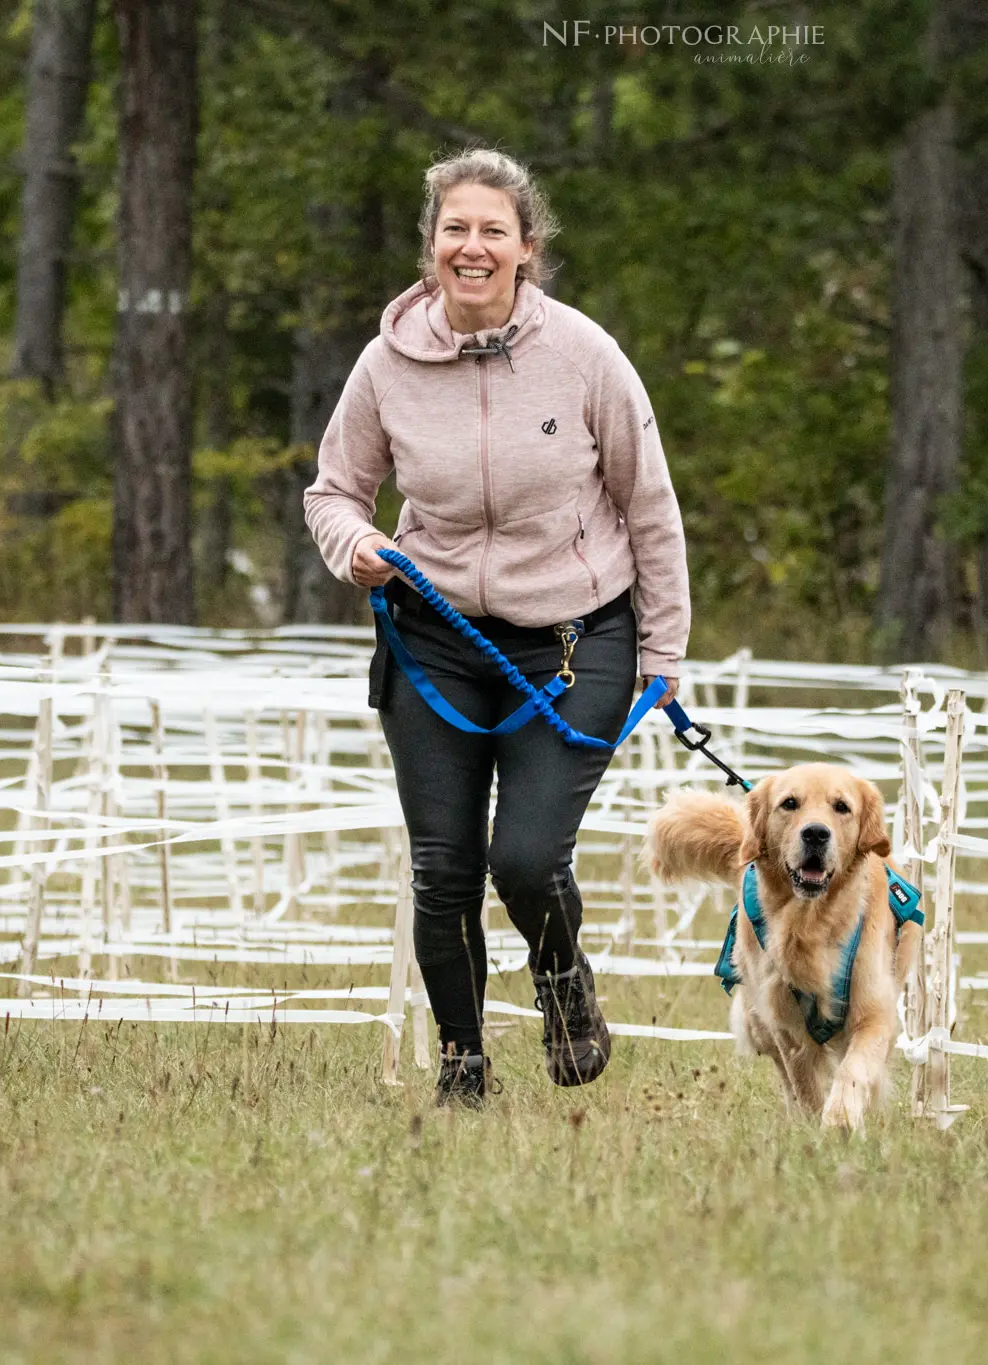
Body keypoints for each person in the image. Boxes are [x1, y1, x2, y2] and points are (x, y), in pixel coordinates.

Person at [305, 148, 690, 1108]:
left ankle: (564, 985)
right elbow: (335, 491)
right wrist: (353, 542)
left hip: (570, 641)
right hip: (432, 639)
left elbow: (651, 507)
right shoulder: (384, 362)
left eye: (492, 231)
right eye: (454, 229)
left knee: (522, 858)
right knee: (443, 868)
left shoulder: (585, 355)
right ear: (432, 244)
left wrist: (665, 651)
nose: (471, 248)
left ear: (526, 247)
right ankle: (463, 1068)